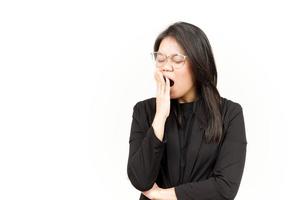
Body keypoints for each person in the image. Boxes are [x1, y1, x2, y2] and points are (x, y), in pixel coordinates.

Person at [127, 21, 247, 200]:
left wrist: (162, 195)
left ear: (198, 64)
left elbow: (225, 187)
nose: (166, 67)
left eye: (176, 59)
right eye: (160, 59)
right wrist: (160, 116)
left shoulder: (230, 113)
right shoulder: (144, 111)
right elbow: (140, 180)